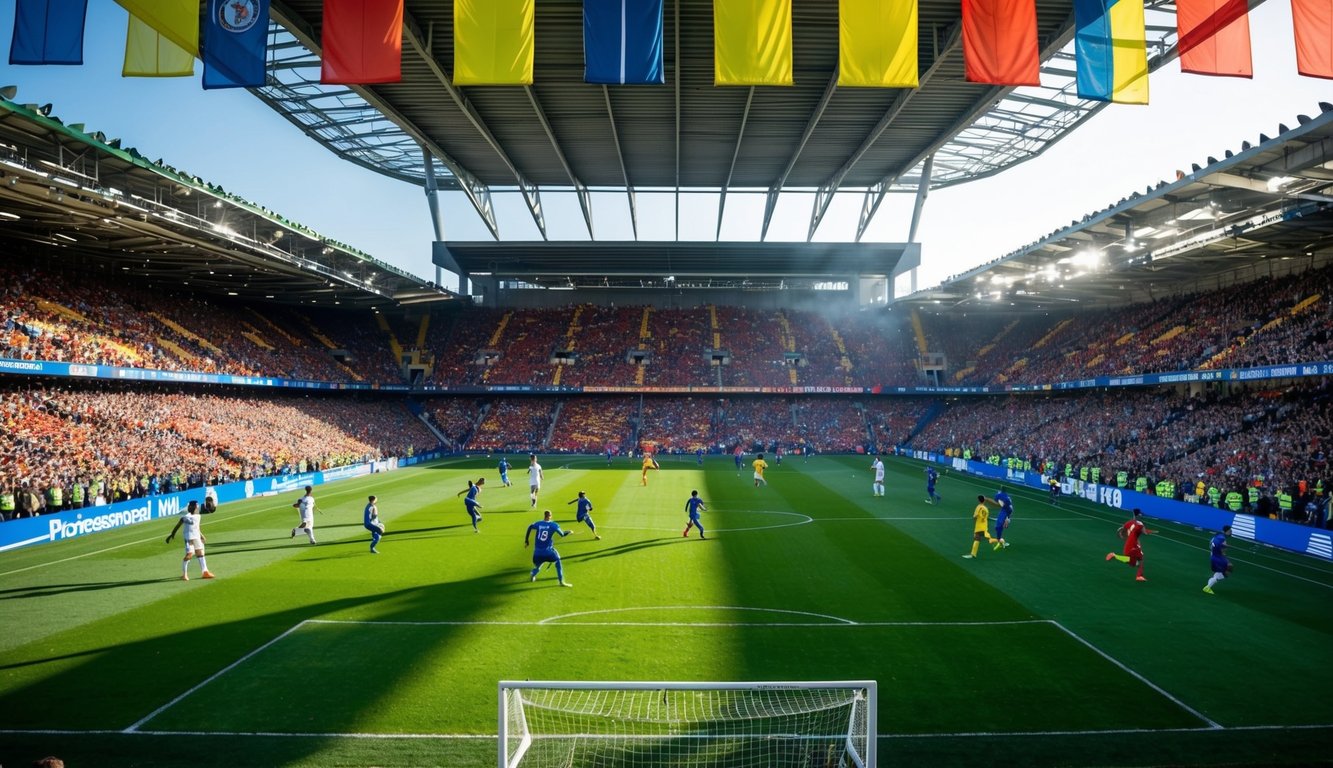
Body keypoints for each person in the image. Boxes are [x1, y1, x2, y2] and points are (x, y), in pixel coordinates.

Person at [166, 500, 215, 580]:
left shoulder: (198, 516)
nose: (197, 508)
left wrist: (201, 536)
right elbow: (177, 526)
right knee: (189, 554)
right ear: (192, 507)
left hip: (196, 537)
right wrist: (172, 534)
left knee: (200, 553)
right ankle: (184, 574)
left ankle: (205, 572)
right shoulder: (185, 517)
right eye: (196, 506)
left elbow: (197, 528)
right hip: (189, 537)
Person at [525, 510, 572, 587]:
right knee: (558, 560)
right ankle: (561, 582)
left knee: (539, 565)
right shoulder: (554, 525)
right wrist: (569, 532)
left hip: (537, 554)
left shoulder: (538, 523)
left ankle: (533, 573)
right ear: (550, 516)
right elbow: (562, 534)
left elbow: (530, 526)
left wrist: (526, 540)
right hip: (548, 553)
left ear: (544, 515)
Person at [1107, 508, 1155, 581]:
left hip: (1128, 544)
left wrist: (1124, 537)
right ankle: (1139, 576)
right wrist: (1150, 531)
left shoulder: (1129, 522)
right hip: (1134, 545)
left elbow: (1122, 531)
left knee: (1134, 562)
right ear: (1139, 515)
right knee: (1139, 561)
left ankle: (1139, 576)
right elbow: (1145, 532)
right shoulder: (1140, 524)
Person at [1203, 525, 1232, 594]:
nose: (1231, 532)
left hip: (1215, 556)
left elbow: (1211, 544)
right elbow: (1223, 546)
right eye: (1230, 531)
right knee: (1229, 568)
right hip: (1218, 557)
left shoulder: (1218, 536)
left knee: (1228, 568)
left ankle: (1211, 582)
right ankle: (1208, 586)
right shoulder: (1222, 538)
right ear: (1226, 531)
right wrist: (1224, 550)